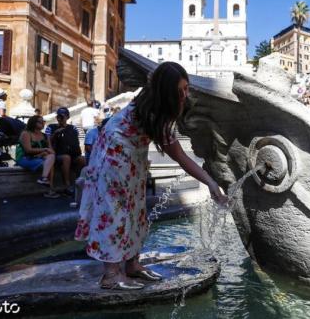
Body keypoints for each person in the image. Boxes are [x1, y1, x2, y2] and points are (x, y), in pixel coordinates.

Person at [74, 62, 227, 290]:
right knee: (115, 210)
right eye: (180, 90)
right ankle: (111, 275)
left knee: (137, 209)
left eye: (186, 88)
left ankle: (132, 265)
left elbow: (156, 77)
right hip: (114, 154)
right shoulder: (158, 112)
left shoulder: (155, 102)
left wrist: (211, 183)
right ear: (166, 91)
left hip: (132, 156)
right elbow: (180, 156)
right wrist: (211, 183)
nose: (185, 95)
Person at [15, 115, 58, 198]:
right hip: (25, 158)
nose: (43, 123)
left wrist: (43, 153)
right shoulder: (26, 133)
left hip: (38, 158)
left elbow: (51, 151)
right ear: (33, 123)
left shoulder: (45, 136)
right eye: (40, 121)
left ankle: (44, 178)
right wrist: (44, 150)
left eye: (43, 121)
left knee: (51, 157)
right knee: (49, 163)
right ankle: (50, 189)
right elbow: (28, 150)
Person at [46, 107, 86, 196]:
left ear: (67, 117)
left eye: (63, 116)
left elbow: (76, 141)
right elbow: (48, 141)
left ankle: (80, 183)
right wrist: (56, 133)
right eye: (58, 116)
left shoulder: (73, 128)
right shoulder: (50, 127)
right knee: (66, 158)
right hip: (58, 154)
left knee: (82, 159)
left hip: (73, 154)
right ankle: (67, 185)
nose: (60, 118)